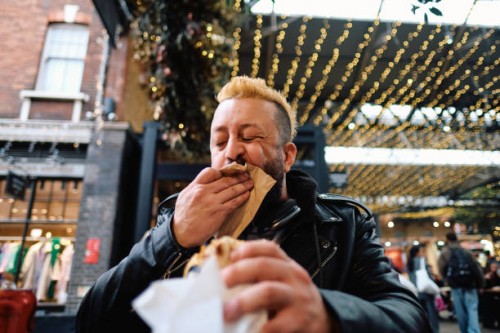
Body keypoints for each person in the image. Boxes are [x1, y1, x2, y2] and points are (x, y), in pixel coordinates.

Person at [76, 76, 430, 332]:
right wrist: (171, 237)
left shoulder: (344, 224)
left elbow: (410, 317)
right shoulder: (176, 219)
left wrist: (329, 314)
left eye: (249, 137)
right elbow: (92, 320)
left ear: (287, 156)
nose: (232, 151)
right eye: (220, 141)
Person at [438, 232, 484, 333]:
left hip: (455, 285)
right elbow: (477, 268)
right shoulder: (465, 251)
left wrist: (447, 280)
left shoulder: (445, 252)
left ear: (447, 239)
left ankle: (464, 331)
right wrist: (480, 284)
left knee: (460, 311)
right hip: (470, 284)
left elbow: (441, 269)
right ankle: (474, 331)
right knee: (472, 309)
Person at [408, 244, 440, 333]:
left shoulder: (410, 262)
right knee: (432, 314)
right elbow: (428, 277)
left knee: (421, 315)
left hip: (417, 292)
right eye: (422, 251)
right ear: (417, 253)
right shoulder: (421, 260)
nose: (423, 253)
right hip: (426, 290)